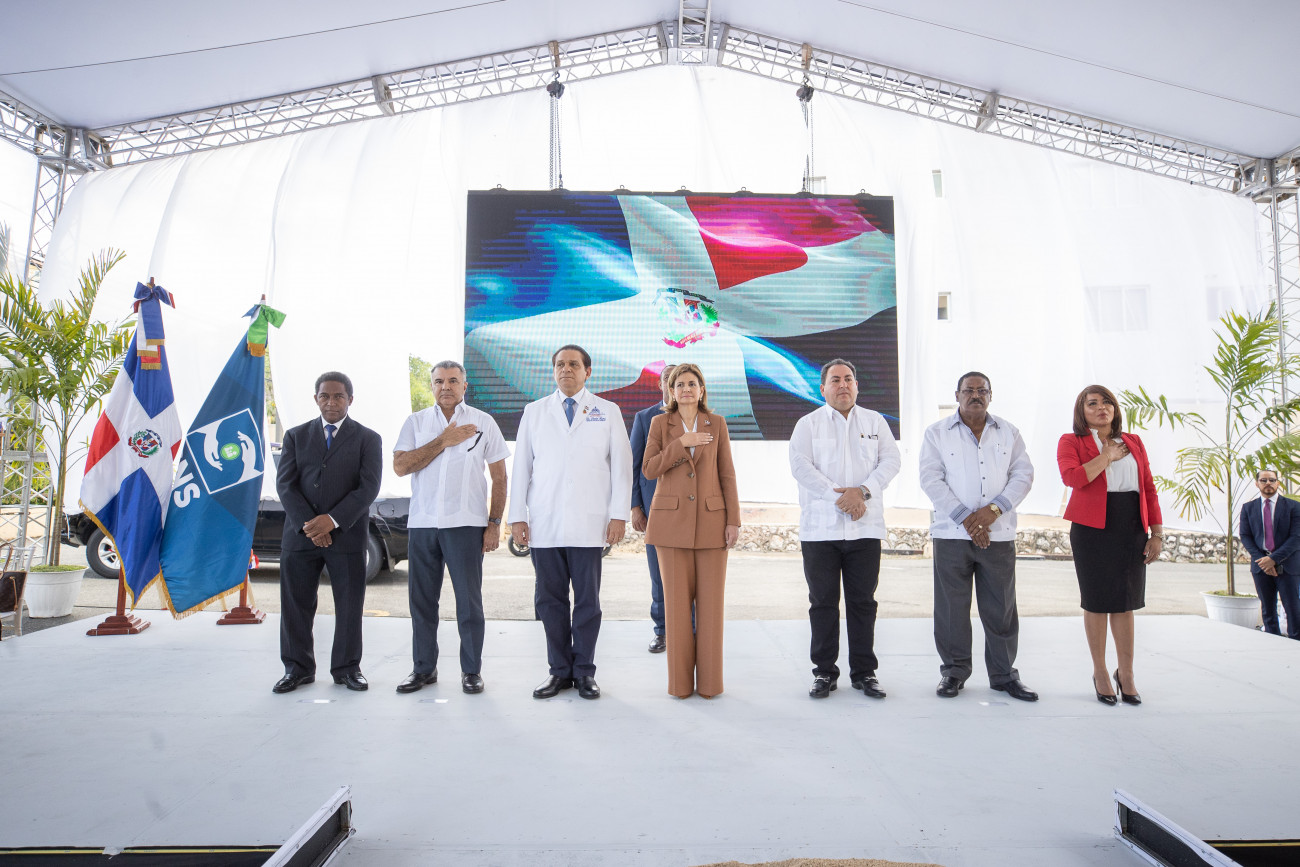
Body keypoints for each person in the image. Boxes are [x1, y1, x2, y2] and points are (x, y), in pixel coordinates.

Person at [510, 345, 632, 700]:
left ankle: (584, 672)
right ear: (553, 371)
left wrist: (618, 515)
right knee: (550, 602)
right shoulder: (534, 412)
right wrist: (517, 516)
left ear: (587, 371)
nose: (566, 369)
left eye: (573, 364)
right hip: (545, 522)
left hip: (589, 523)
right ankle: (559, 671)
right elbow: (522, 467)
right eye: (560, 364)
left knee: (587, 603)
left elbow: (622, 467)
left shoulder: (607, 411)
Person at [919, 371, 1037, 702]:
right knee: (951, 609)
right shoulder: (937, 433)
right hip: (951, 535)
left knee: (1001, 608)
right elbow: (930, 479)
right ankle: (954, 673)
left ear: (990, 395)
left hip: (998, 535)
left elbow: (1023, 475)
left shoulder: (1009, 432)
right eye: (968, 390)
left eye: (981, 390)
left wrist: (992, 512)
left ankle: (1003, 675)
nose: (975, 395)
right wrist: (968, 519)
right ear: (956, 395)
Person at [392, 361, 509, 694]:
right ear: (432, 386)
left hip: (466, 525)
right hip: (423, 523)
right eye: (439, 381)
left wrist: (494, 523)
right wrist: (443, 441)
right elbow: (401, 466)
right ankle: (423, 669)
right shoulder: (416, 422)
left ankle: (471, 671)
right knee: (421, 602)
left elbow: (500, 477)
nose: (446, 386)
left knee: (469, 603)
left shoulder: (484, 422)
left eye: (453, 381)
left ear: (464, 386)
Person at [789, 358, 901, 700]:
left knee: (863, 603)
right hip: (820, 531)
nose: (843, 385)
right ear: (822, 388)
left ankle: (865, 673)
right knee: (822, 602)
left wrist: (862, 492)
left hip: (864, 529)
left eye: (848, 379)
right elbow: (800, 467)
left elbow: (891, 461)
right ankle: (824, 672)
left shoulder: (875, 421)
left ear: (857, 386)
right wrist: (840, 497)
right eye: (835, 380)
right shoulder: (808, 424)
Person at [273, 372, 382, 694]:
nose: (331, 402)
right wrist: (312, 526)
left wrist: (331, 521)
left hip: (346, 536)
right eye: (325, 396)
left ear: (350, 399)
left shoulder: (368, 438)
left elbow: (368, 488)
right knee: (295, 606)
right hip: (301, 536)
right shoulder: (295, 436)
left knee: (349, 606)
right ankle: (297, 669)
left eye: (338, 396)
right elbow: (286, 485)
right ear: (316, 399)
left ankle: (347, 669)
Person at [1057, 385, 1163, 706]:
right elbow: (1073, 478)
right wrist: (1106, 457)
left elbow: (1148, 487)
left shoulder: (1133, 441)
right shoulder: (1071, 441)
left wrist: (1157, 533)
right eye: (1092, 403)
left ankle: (1126, 674)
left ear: (1115, 409)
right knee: (1096, 601)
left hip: (1131, 526)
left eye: (1107, 403)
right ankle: (1101, 672)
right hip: (1091, 529)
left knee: (1125, 602)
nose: (1101, 408)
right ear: (1082, 411)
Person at [642, 363, 740, 698]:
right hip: (669, 527)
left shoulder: (718, 423)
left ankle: (710, 685)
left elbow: (727, 474)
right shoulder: (659, 423)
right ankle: (680, 685)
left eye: (692, 383)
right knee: (677, 610)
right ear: (671, 391)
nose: (686, 389)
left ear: (702, 390)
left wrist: (733, 520)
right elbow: (650, 469)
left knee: (711, 609)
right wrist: (681, 443)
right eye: (680, 384)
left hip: (713, 525)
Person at [630, 364, 676, 654]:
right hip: (654, 510)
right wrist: (636, 506)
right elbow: (634, 465)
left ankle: (690, 630)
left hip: (690, 511)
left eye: (678, 378)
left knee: (690, 575)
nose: (672, 384)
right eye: (667, 378)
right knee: (659, 575)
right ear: (660, 385)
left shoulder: (701, 419)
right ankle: (662, 631)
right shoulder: (644, 418)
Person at [1238, 470, 1299, 640]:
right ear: (1257, 483)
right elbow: (1245, 536)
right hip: (1261, 566)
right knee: (1267, 609)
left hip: (1288, 565)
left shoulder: (1294, 507)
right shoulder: (1248, 508)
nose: (1268, 483)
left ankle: (1296, 644)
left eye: (1272, 480)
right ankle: (1272, 642)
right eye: (1263, 480)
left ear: (1278, 483)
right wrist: (1263, 561)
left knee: (1293, 608)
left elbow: (1296, 537)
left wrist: (1273, 559)